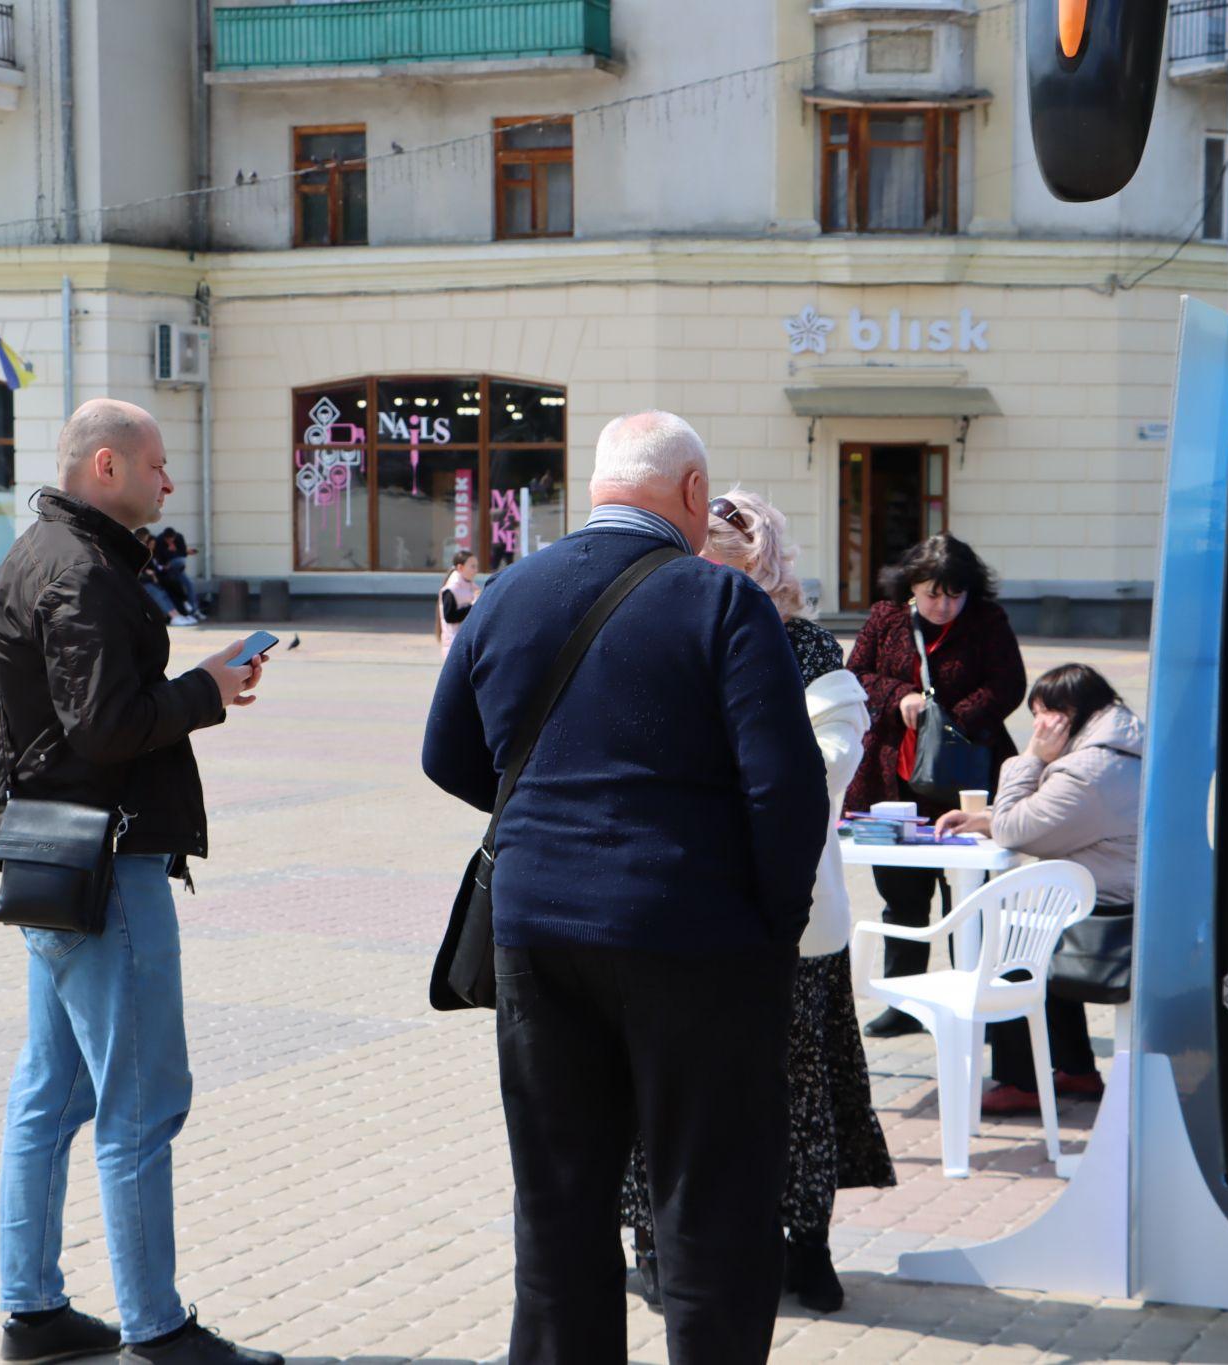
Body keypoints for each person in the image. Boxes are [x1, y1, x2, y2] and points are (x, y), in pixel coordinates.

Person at [422, 413, 828, 1365]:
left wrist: (545, 818)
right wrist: (774, 926)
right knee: (710, 1207)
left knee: (558, 1206)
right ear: (692, 493)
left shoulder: (508, 592)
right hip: (696, 937)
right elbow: (786, 790)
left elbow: (446, 754)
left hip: (537, 936)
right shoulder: (723, 603)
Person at [0, 398, 281, 1365]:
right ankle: (155, 1327)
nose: (167, 484)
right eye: (156, 468)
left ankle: (32, 1312)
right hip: (104, 866)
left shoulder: (49, 553)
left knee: (52, 1092)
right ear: (105, 465)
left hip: (56, 862)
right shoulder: (80, 572)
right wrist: (206, 689)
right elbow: (105, 727)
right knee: (142, 1101)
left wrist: (194, 684)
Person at [617, 488, 894, 1317]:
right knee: (664, 1085)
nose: (710, 572)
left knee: (795, 1085)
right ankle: (657, 1245)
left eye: (730, 558)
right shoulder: (666, 637)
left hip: (788, 919)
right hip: (679, 914)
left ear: (765, 564)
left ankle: (804, 1249)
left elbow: (824, 772)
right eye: (701, 556)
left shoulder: (807, 648)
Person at [938, 664, 1143, 1112]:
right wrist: (985, 819)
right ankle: (1076, 1069)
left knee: (1013, 940)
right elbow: (1056, 821)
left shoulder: (1088, 769)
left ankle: (1022, 1082)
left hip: (1110, 917)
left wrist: (1030, 757)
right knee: (1036, 920)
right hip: (1125, 900)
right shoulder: (1118, 750)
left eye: (1042, 716)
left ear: (1068, 715)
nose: (1037, 727)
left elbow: (1016, 829)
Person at [847, 533, 1026, 1038]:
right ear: (911, 588)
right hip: (893, 776)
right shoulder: (886, 618)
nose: (943, 605)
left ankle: (976, 995)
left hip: (968, 773)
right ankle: (904, 999)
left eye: (954, 594)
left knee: (972, 892)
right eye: (932, 594)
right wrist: (900, 695)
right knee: (900, 891)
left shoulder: (988, 621)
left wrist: (949, 724)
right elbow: (855, 674)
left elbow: (1008, 683)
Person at [136, 529, 198, 627]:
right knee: (158, 593)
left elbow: (156, 568)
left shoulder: (152, 555)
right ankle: (174, 616)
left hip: (151, 581)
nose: (152, 546)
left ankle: (178, 615)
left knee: (169, 589)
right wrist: (149, 574)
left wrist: (155, 573)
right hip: (142, 583)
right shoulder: (138, 553)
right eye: (149, 542)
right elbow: (138, 571)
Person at [154, 526, 203, 618]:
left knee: (189, 584)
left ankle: (194, 610)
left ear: (174, 537)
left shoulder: (179, 537)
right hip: (166, 570)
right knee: (177, 586)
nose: (169, 542)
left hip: (177, 568)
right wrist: (169, 552)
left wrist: (174, 551)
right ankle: (183, 610)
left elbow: (183, 553)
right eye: (167, 540)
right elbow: (160, 556)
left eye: (171, 540)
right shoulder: (160, 540)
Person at [436, 550, 478, 655]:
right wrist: (473, 606)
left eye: (476, 566)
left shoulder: (473, 587)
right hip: (454, 645)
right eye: (472, 566)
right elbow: (450, 617)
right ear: (460, 568)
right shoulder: (451, 589)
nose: (476, 570)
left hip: (466, 643)